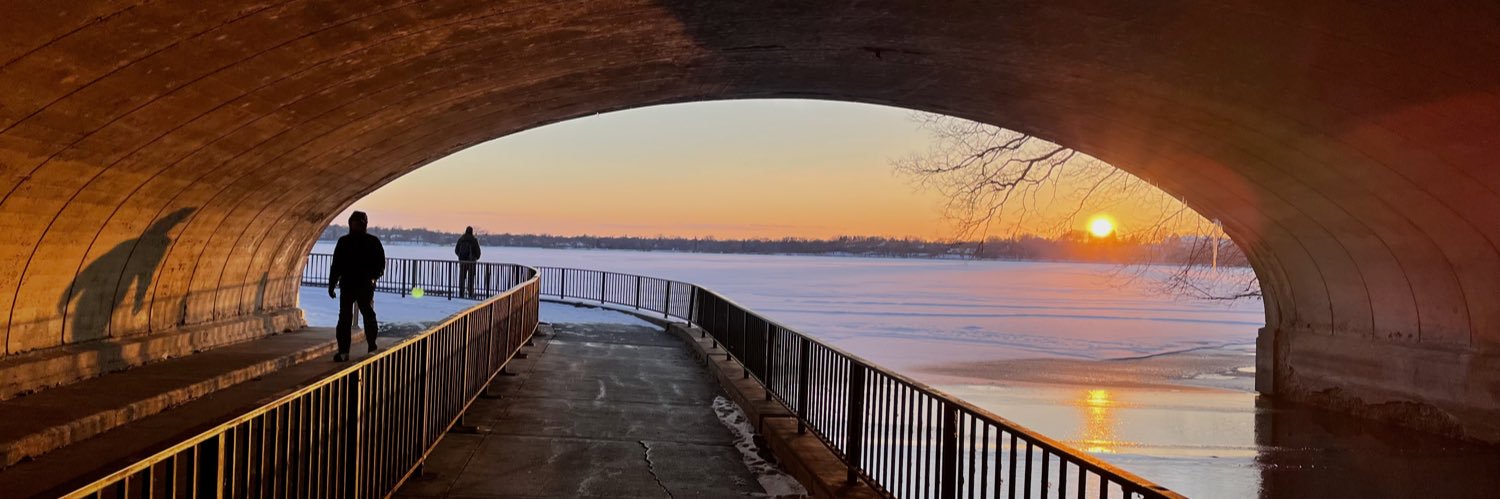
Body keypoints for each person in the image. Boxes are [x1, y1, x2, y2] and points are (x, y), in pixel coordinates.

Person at [328, 211, 385, 361]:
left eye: (358, 224)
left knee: (360, 315)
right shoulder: (369, 242)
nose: (357, 226)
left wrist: (372, 276)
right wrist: (332, 284)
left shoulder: (349, 242)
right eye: (355, 223)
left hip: (358, 284)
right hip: (353, 284)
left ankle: (366, 347)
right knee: (350, 316)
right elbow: (337, 265)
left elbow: (380, 265)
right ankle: (348, 350)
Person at [455, 226, 482, 298]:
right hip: (471, 263)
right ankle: (470, 293)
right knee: (471, 278)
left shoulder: (461, 239)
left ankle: (461, 293)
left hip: (462, 262)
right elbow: (478, 253)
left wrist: (461, 257)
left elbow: (456, 250)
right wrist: (475, 258)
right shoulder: (474, 240)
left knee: (462, 278)